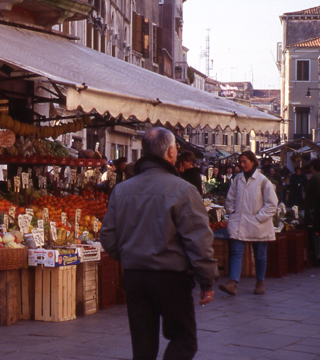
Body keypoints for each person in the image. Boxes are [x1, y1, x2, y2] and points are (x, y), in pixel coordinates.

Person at [100, 127, 218, 360]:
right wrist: (207, 278)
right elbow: (198, 240)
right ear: (171, 152)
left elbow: (108, 236)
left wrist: (128, 255)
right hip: (171, 277)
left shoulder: (122, 190)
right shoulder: (183, 190)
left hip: (135, 276)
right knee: (184, 341)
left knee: (143, 348)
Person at [219, 150, 278, 296]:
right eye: (241, 161)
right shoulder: (237, 179)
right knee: (236, 252)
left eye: (245, 161)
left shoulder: (263, 181)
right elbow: (230, 198)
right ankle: (233, 283)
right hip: (240, 222)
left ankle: (260, 282)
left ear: (253, 162)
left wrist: (258, 218)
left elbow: (272, 204)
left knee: (260, 255)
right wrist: (232, 212)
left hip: (258, 225)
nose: (242, 164)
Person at [304, 159, 320, 265]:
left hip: (316, 210)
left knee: (316, 234)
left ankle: (317, 258)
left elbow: (310, 196)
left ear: (312, 167)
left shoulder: (315, 178)